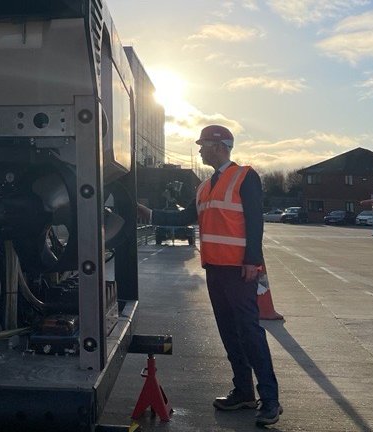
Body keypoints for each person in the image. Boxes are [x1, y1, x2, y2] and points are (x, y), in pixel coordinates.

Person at [137, 125, 281, 427]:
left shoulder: (245, 176)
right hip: (215, 270)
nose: (200, 150)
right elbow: (183, 218)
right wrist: (149, 214)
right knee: (230, 334)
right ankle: (243, 392)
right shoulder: (204, 186)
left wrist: (253, 260)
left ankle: (270, 400)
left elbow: (255, 220)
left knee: (250, 333)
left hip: (239, 271)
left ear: (219, 147)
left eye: (204, 145)